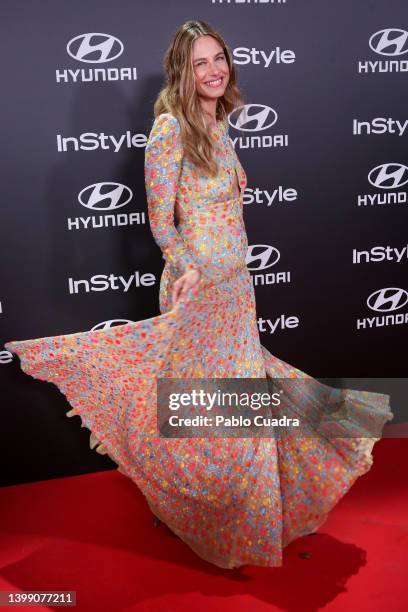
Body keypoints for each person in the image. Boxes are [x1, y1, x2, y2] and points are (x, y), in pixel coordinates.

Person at [5, 20, 393, 569]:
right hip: (198, 287)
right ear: (180, 74)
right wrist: (184, 265)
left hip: (237, 286)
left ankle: (241, 522)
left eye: (219, 59)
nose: (213, 71)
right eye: (199, 63)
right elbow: (161, 222)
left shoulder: (221, 122)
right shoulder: (169, 130)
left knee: (241, 403)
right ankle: (186, 506)